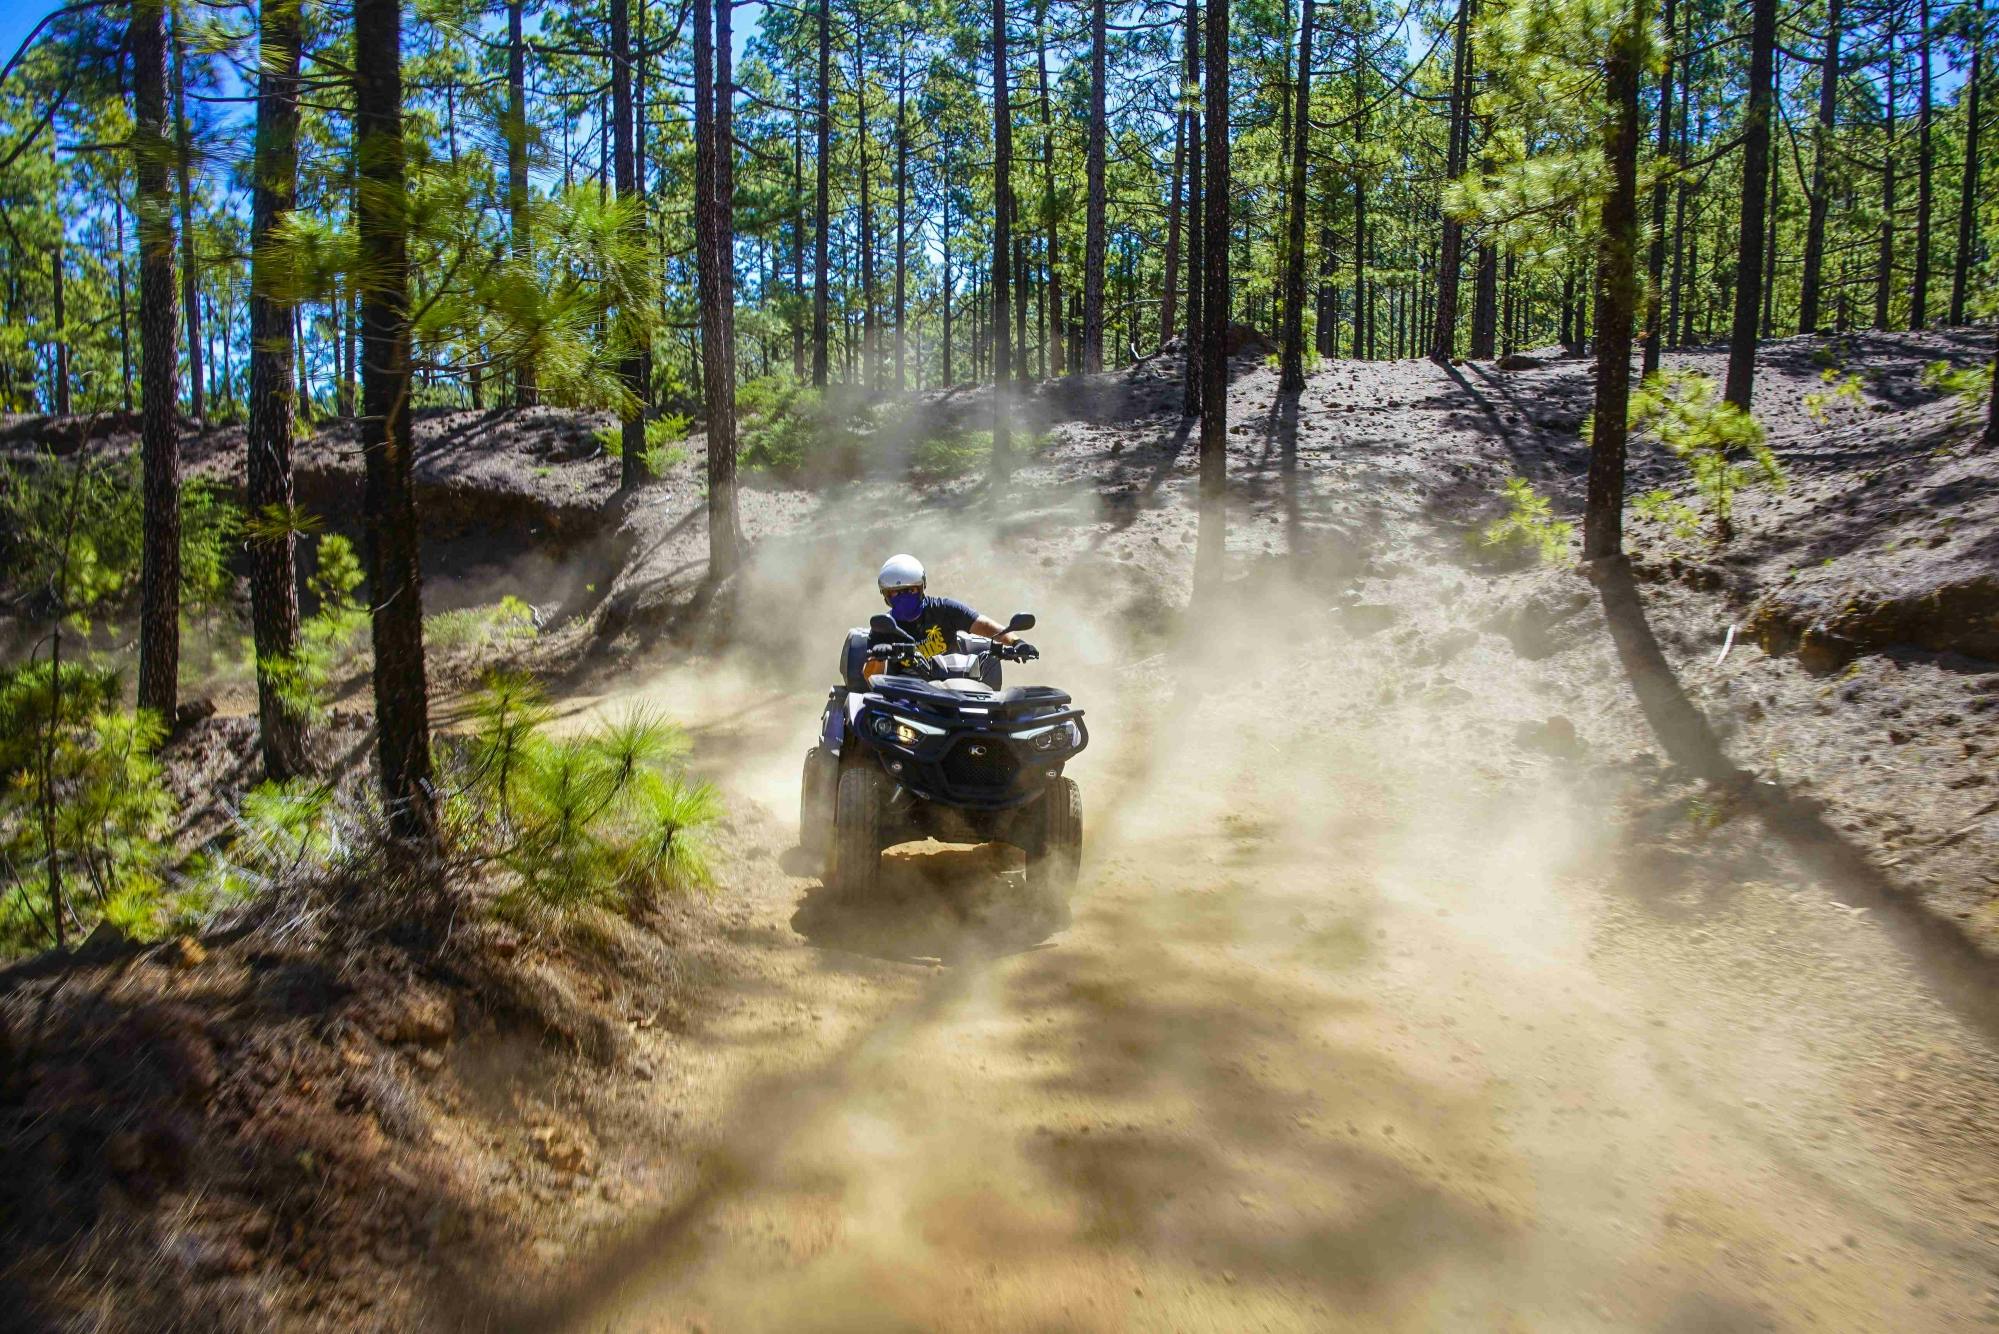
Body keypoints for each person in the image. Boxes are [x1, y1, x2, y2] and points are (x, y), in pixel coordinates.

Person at [874, 553, 1019, 658]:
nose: (904, 598)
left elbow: (985, 625)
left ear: (921, 588)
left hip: (953, 687)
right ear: (886, 595)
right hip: (905, 694)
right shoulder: (883, 627)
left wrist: (1016, 642)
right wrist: (878, 658)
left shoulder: (944, 610)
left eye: (910, 590)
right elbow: (871, 676)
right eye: (895, 593)